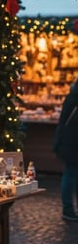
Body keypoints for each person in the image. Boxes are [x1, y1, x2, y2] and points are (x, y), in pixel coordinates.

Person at [53, 78, 78, 221]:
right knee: (70, 174)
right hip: (72, 144)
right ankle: (68, 209)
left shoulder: (71, 96)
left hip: (68, 143)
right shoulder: (74, 99)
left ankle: (68, 209)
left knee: (71, 174)